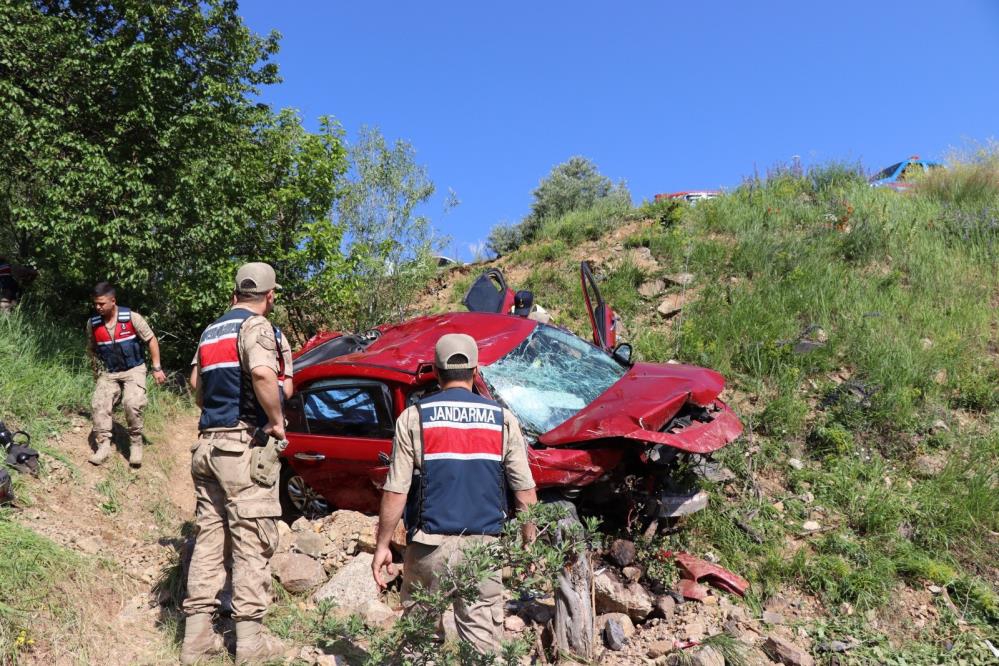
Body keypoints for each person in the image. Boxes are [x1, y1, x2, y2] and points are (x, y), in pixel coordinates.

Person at [371, 333, 538, 655]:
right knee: (481, 646)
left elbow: (396, 490)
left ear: (435, 371)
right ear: (476, 372)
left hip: (429, 547)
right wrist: (528, 543)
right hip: (484, 548)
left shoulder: (415, 417)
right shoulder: (501, 418)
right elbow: (525, 491)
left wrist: (382, 546)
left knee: (418, 642)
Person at [181, 262, 288, 665]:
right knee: (251, 543)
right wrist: (275, 422)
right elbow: (263, 375)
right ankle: (249, 647)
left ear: (235, 292)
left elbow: (196, 385)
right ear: (269, 295)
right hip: (240, 450)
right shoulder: (256, 327)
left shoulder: (212, 330)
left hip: (206, 447)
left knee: (208, 542)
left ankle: (195, 644)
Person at [86, 282, 167, 467]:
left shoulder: (131, 318)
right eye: (95, 304)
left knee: (132, 403)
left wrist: (157, 368)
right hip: (109, 371)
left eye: (102, 304)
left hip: (134, 369)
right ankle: (104, 445)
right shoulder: (93, 324)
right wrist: (96, 373)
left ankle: (136, 442)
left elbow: (151, 339)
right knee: (99, 403)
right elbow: (91, 349)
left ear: (113, 301)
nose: (98, 307)